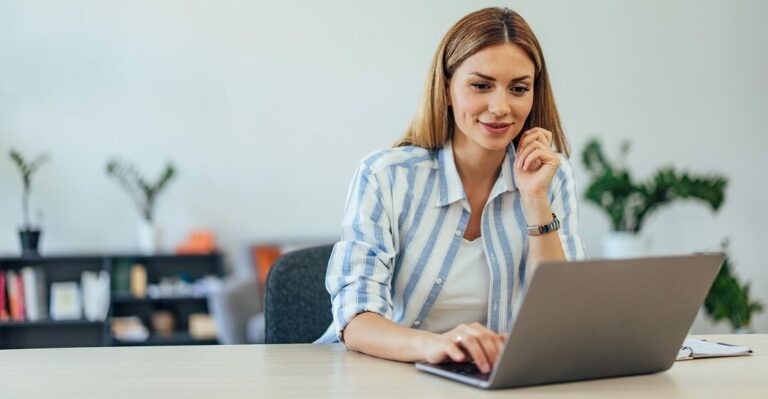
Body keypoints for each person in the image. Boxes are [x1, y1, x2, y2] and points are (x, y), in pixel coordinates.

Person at [315, 7, 587, 374]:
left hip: (496, 378)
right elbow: (355, 318)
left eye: (519, 89)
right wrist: (440, 346)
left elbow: (561, 319)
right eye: (480, 85)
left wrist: (536, 200)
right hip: (385, 375)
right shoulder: (386, 176)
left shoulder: (551, 176)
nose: (500, 107)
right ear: (446, 89)